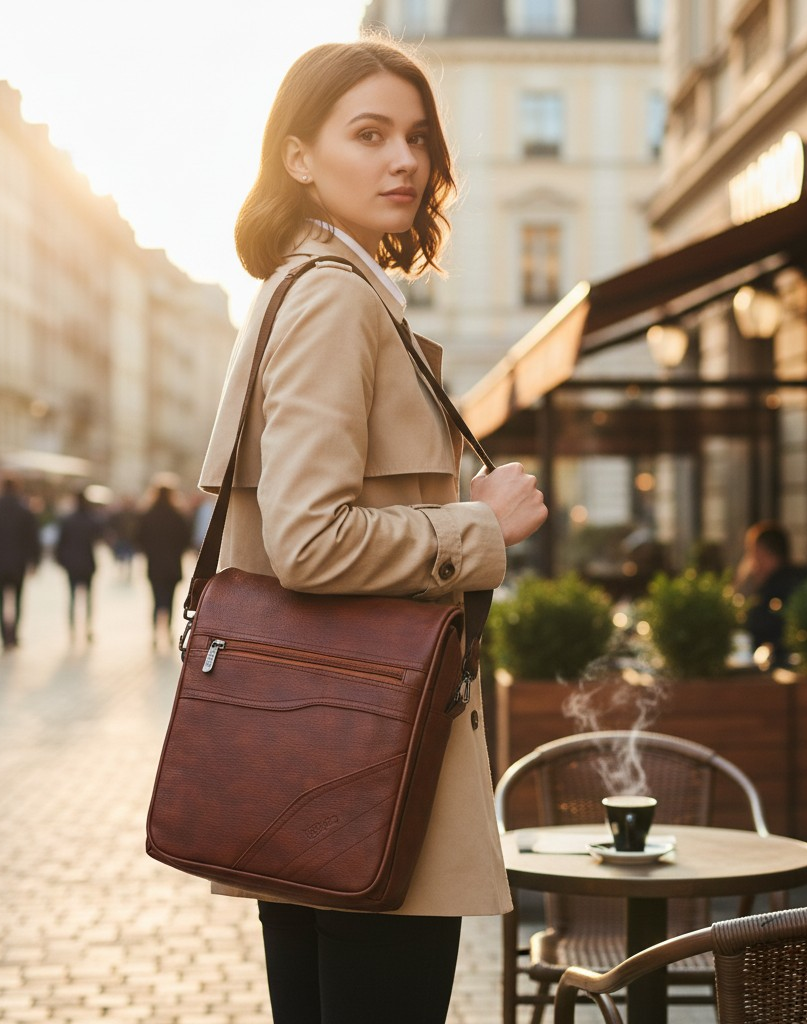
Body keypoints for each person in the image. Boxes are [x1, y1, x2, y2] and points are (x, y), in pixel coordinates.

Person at [195, 39, 547, 1024]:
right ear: (298, 156)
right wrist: (474, 524)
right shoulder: (334, 300)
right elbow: (309, 541)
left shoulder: (316, 290)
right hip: (369, 755)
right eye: (369, 134)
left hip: (319, 752)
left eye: (418, 138)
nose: (405, 160)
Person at [734, 520, 807, 668]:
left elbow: (750, 627)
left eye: (751, 553)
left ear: (761, 553)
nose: (749, 562)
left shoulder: (771, 591)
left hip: (776, 668)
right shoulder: (806, 580)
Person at [0, 476, 42, 650]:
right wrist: (35, 561)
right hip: (18, 562)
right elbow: (33, 539)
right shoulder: (24, 510)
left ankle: (3, 636)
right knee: (18, 599)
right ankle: (14, 634)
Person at [136, 481, 191, 648]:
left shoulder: (148, 515)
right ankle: (168, 631)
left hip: (154, 565)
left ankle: (154, 633)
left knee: (155, 600)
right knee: (170, 600)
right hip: (173, 566)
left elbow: (138, 538)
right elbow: (186, 540)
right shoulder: (178, 516)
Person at [54, 490, 103, 642]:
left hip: (72, 564)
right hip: (87, 563)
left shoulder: (68, 520)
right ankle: (88, 627)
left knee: (72, 597)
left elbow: (60, 543)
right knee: (87, 598)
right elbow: (99, 536)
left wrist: (61, 560)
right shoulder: (91, 519)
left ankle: (72, 628)